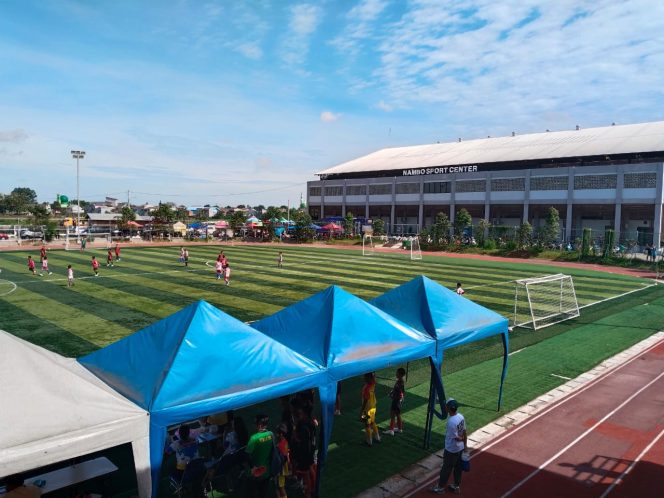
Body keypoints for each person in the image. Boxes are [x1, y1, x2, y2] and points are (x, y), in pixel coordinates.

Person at [432, 398, 467, 495]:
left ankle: (440, 488)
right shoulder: (461, 416)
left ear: (448, 409)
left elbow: (457, 438)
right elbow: (464, 431)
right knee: (458, 468)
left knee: (446, 469)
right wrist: (465, 445)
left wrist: (461, 439)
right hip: (460, 448)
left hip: (451, 450)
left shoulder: (451, 422)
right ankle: (456, 486)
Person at [244, 414, 273, 498]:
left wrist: (252, 467)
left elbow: (247, 454)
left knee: (250, 494)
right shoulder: (271, 434)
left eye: (255, 423)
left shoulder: (254, 438)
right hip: (266, 472)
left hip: (254, 474)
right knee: (263, 494)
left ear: (259, 425)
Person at [290, 405, 316, 498]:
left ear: (305, 414)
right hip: (311, 450)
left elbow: (299, 440)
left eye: (301, 413)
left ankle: (308, 493)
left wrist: (294, 431)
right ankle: (314, 488)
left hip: (305, 453)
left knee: (305, 473)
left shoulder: (304, 427)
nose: (299, 415)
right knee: (310, 469)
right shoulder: (311, 422)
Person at [384, 367, 406, 436]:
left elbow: (400, 392)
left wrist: (393, 396)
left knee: (392, 414)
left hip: (396, 401)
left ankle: (391, 430)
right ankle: (400, 429)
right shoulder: (400, 381)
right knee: (398, 414)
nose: (396, 374)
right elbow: (396, 390)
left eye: (397, 373)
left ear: (400, 374)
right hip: (398, 401)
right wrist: (391, 393)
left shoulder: (400, 382)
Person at [360, 372, 381, 446]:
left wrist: (361, 411)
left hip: (367, 409)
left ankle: (369, 441)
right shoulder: (373, 384)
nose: (364, 378)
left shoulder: (366, 388)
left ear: (367, 378)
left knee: (367, 425)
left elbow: (365, 400)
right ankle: (377, 437)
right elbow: (374, 377)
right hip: (373, 407)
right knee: (372, 422)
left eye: (365, 377)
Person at [275, 423, 291, 498]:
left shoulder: (280, 445)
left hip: (281, 470)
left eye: (277, 433)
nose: (276, 435)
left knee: (281, 486)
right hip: (283, 468)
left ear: (281, 434)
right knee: (278, 486)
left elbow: (283, 458)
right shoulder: (285, 441)